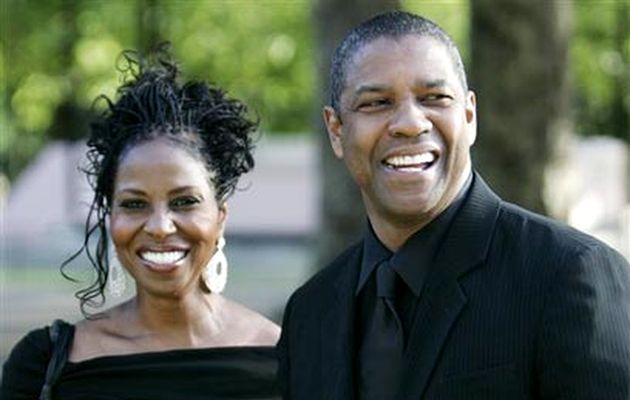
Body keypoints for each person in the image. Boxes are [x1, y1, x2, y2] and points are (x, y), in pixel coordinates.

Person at [277, 10, 630, 399]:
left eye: (435, 98)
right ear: (336, 131)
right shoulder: (309, 314)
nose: (411, 123)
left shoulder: (569, 274)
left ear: (469, 115)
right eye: (377, 103)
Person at [1, 48, 281, 399]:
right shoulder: (44, 366)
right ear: (111, 216)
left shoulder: (286, 359)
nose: (160, 227)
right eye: (134, 204)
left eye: (184, 202)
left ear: (220, 215)